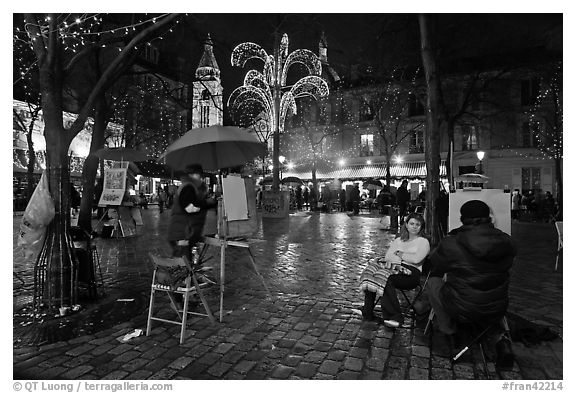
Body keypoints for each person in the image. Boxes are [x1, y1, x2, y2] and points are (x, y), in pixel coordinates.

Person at [425, 199, 516, 368]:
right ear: (489, 217)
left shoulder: (452, 242)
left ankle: (449, 332)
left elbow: (435, 264)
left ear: (462, 219)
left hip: (461, 308)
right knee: (489, 288)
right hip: (497, 308)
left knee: (433, 283)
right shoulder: (506, 241)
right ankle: (501, 340)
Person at [359, 212, 430, 328]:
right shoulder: (399, 240)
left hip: (411, 274)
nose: (414, 226)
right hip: (394, 268)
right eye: (412, 223)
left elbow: (416, 259)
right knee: (371, 273)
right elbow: (388, 256)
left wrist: (399, 254)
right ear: (406, 225)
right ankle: (367, 311)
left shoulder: (423, 242)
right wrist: (404, 257)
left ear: (421, 226)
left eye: (418, 224)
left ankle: (394, 317)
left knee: (387, 279)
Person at [167, 164, 217, 261]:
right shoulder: (188, 187)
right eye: (200, 176)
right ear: (194, 175)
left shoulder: (189, 186)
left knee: (184, 262)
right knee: (182, 264)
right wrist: (207, 203)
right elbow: (190, 208)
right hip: (182, 233)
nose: (201, 179)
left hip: (183, 232)